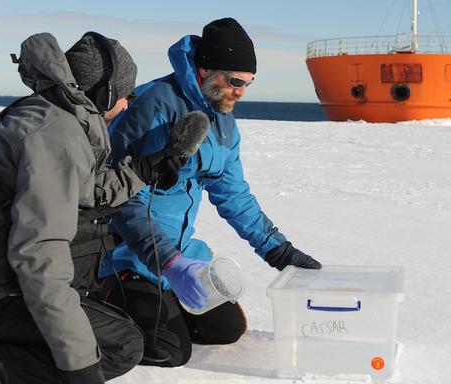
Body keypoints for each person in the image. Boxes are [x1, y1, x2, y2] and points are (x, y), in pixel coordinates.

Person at [0, 32, 208, 383]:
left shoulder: (56, 117)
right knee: (121, 345)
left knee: (106, 327)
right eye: (127, 94)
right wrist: (80, 366)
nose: (130, 104)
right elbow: (40, 255)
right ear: (106, 92)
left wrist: (147, 168)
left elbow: (85, 193)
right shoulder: (53, 134)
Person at [98, 17, 322, 368]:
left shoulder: (222, 121)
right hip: (128, 255)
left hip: (184, 257)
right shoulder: (153, 107)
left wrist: (279, 252)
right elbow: (122, 200)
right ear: (205, 69)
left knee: (226, 329)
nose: (242, 92)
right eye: (235, 81)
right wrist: (169, 262)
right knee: (169, 350)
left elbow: (233, 195)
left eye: (248, 83)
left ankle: (159, 306)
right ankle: (102, 301)